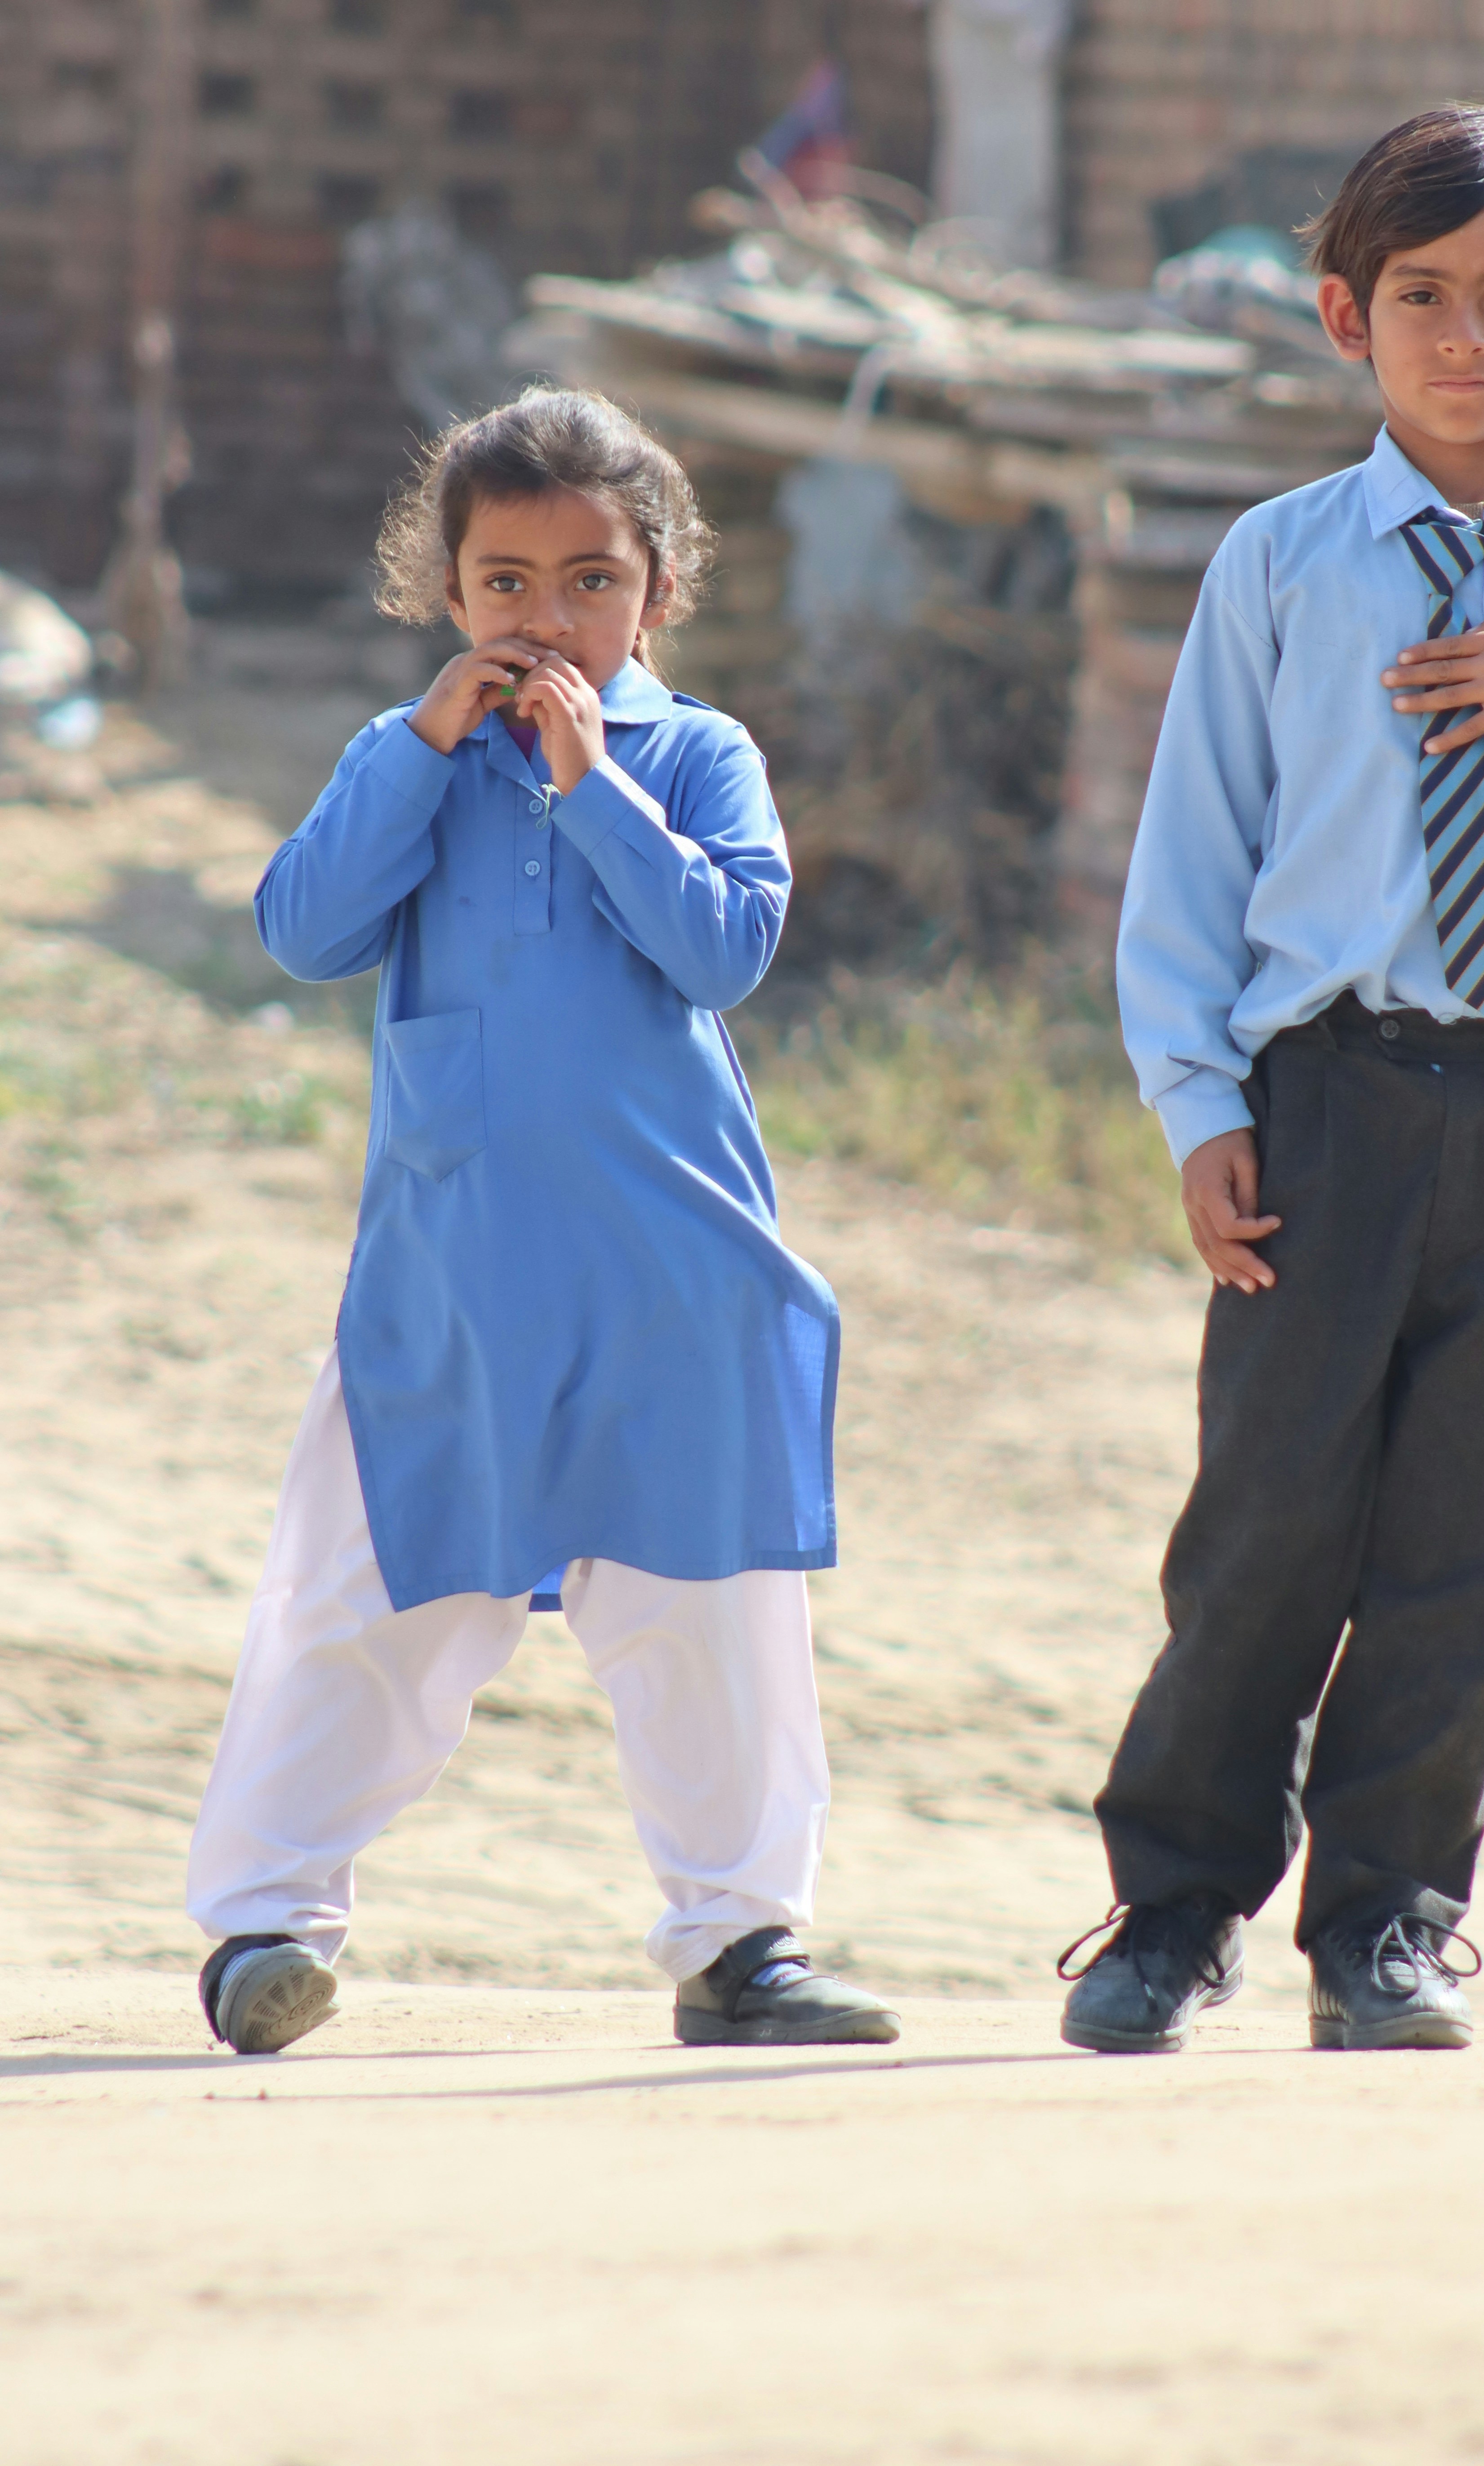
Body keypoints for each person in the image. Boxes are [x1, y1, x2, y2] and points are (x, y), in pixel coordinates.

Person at [1059, 101, 1484, 2056]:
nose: (1466, 339)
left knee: (1473, 1535)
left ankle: (1385, 1923)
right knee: (1268, 1520)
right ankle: (1168, 1912)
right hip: (1326, 1100)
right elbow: (1192, 865)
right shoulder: (1280, 565)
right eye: (1423, 299)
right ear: (1339, 318)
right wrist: (1201, 1110)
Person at [188, 387, 897, 2057]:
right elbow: (305, 931)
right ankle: (263, 1927)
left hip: (671, 1264)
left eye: (591, 581)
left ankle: (744, 1947)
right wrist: (426, 750)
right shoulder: (407, 759)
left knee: (713, 1603)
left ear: (658, 589)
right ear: (450, 593)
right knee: (370, 1592)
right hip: (459, 1266)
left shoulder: (695, 754)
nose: (548, 618)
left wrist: (595, 788)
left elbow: (724, 951)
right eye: (507, 582)